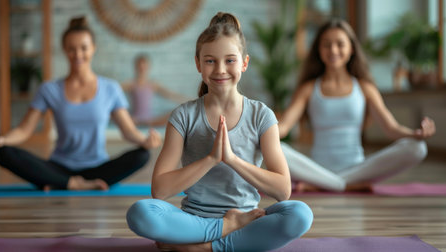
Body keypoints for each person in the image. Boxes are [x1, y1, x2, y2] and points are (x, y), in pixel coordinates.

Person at [126, 12, 313, 251]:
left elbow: (283, 190)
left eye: (230, 60)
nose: (220, 69)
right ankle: (227, 232)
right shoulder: (183, 116)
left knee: (300, 214)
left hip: (248, 218)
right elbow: (160, 190)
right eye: (210, 61)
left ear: (244, 63)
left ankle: (200, 247)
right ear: (198, 64)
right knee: (141, 213)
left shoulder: (261, 115)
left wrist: (232, 159)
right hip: (194, 220)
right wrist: (211, 159)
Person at [0, 17, 162, 191]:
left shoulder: (110, 88)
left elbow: (128, 130)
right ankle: (71, 183)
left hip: (98, 168)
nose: (78, 55)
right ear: (64, 50)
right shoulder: (49, 89)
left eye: (84, 48)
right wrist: (2, 140)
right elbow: (25, 129)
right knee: (4, 153)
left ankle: (58, 183)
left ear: (93, 49)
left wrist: (146, 140)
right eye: (71, 49)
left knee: (142, 156)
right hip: (58, 167)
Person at [278, 19, 436, 192]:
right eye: (326, 45)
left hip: (358, 170)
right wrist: (258, 134)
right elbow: (284, 126)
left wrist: (415, 134)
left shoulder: (365, 87)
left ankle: (324, 185)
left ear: (351, 48)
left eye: (340, 44)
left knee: (418, 148)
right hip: (316, 170)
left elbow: (391, 128)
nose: (333, 50)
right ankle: (343, 185)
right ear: (318, 50)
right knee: (269, 148)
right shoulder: (308, 89)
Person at [122, 54, 188, 127]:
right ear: (136, 67)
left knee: (175, 112)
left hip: (150, 121)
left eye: (144, 67)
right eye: (140, 67)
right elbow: (114, 91)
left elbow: (170, 95)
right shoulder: (131, 84)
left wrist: (188, 101)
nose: (142, 70)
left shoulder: (152, 84)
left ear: (148, 67)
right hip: (134, 120)